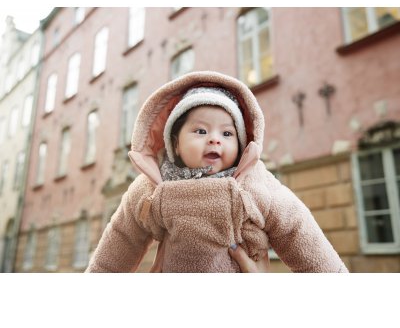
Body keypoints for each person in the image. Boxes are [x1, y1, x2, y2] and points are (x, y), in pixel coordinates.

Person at [86, 71, 348, 273]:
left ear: (241, 143)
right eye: (201, 131)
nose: (215, 139)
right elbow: (119, 242)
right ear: (175, 144)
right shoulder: (152, 187)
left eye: (227, 133)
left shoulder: (254, 183)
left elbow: (298, 231)